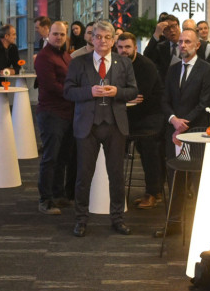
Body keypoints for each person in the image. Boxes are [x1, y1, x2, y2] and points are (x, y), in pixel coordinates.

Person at [63, 20, 138, 237]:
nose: (102, 41)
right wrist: (89, 92)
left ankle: (118, 219)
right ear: (92, 38)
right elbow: (68, 91)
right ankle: (81, 220)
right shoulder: (78, 62)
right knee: (83, 175)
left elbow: (133, 91)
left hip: (115, 126)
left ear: (113, 40)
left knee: (116, 175)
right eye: (98, 36)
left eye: (107, 37)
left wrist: (117, 92)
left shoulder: (124, 63)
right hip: (87, 126)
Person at [34, 21, 76, 215]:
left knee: (63, 157)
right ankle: (45, 200)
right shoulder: (44, 57)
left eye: (62, 34)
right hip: (51, 113)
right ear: (48, 34)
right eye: (55, 34)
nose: (59, 37)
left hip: (67, 113)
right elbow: (51, 86)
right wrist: (75, 93)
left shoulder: (66, 55)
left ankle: (58, 194)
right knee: (50, 158)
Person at [119, 32, 166, 210]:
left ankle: (153, 192)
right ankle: (114, 190)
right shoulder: (116, 64)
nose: (124, 51)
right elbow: (125, 95)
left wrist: (120, 96)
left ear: (135, 48)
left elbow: (140, 96)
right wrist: (124, 97)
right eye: (120, 47)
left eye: (127, 47)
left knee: (149, 148)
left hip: (151, 115)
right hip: (130, 115)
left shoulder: (146, 66)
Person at [160, 28, 210, 154]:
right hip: (172, 128)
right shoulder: (172, 69)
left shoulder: (207, 70)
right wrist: (173, 119)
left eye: (187, 42)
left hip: (195, 129)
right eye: (180, 42)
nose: (182, 45)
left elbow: (204, 103)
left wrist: (182, 125)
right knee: (173, 165)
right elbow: (164, 99)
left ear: (197, 45)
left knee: (194, 165)